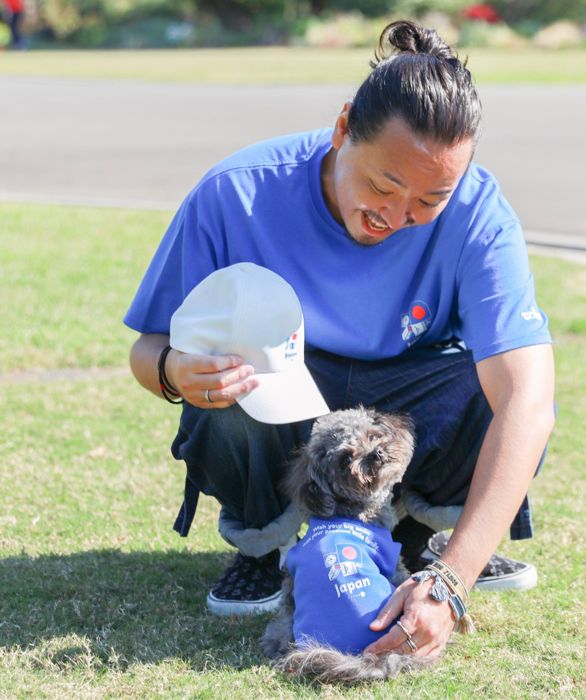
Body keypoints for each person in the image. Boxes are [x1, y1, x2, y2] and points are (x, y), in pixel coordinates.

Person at [125, 19, 555, 662]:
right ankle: (264, 548)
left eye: (429, 199)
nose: (397, 214)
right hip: (283, 393)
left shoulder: (480, 214)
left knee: (495, 385)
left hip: (409, 398)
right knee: (227, 380)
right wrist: (173, 371)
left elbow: (528, 399)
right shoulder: (235, 192)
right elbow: (147, 347)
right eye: (383, 185)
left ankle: (423, 543)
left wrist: (452, 582)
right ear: (343, 128)